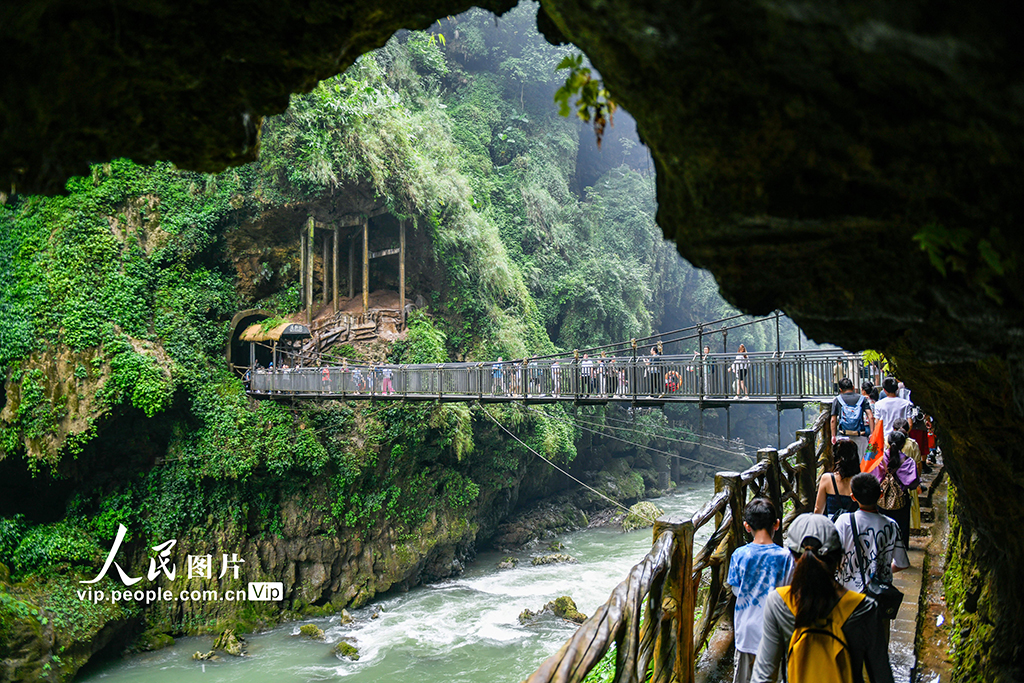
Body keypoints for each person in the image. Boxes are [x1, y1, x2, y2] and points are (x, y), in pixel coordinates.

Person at [752, 514, 892, 683]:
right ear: (840, 557)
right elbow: (881, 676)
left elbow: (763, 676)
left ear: (794, 557)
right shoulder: (865, 608)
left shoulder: (778, 603)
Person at [834, 473, 910, 673]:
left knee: (847, 656)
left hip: (847, 599)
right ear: (881, 494)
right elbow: (902, 563)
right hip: (879, 600)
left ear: (853, 496)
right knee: (876, 655)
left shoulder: (843, 522)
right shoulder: (891, 525)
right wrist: (882, 572)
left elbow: (832, 557)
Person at [727, 498, 794, 683]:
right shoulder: (786, 557)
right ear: (777, 524)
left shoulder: (739, 555)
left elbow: (735, 590)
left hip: (746, 630)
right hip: (775, 630)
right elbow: (790, 592)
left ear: (747, 526)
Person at [872, 429, 918, 547]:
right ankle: (900, 556)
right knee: (900, 529)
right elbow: (913, 483)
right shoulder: (908, 462)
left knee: (881, 529)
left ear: (887, 442)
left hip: (881, 499)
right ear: (903, 445)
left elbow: (872, 477)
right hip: (901, 500)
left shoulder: (878, 459)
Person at [813, 439, 860, 519]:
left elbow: (818, 509)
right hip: (854, 526)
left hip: (832, 526)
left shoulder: (827, 478)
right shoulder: (861, 480)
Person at [831, 377, 873, 453]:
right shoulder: (862, 399)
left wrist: (833, 436)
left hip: (843, 436)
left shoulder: (837, 400)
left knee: (844, 460)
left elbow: (833, 420)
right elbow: (871, 416)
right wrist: (872, 433)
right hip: (860, 435)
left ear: (840, 389)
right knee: (861, 461)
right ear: (853, 387)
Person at [872, 377, 914, 442]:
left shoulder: (879, 404)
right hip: (902, 439)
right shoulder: (906, 404)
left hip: (885, 438)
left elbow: (877, 424)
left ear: (884, 390)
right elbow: (910, 423)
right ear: (897, 389)